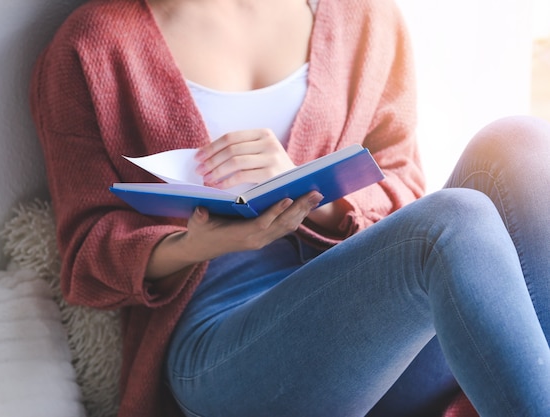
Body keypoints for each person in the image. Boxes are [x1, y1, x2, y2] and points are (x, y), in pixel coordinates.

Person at [29, 0, 550, 415]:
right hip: (227, 350)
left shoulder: (362, 15)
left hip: (380, 339)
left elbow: (402, 184)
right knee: (452, 222)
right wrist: (194, 245)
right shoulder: (90, 45)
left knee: (518, 145)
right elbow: (86, 256)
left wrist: (310, 196)